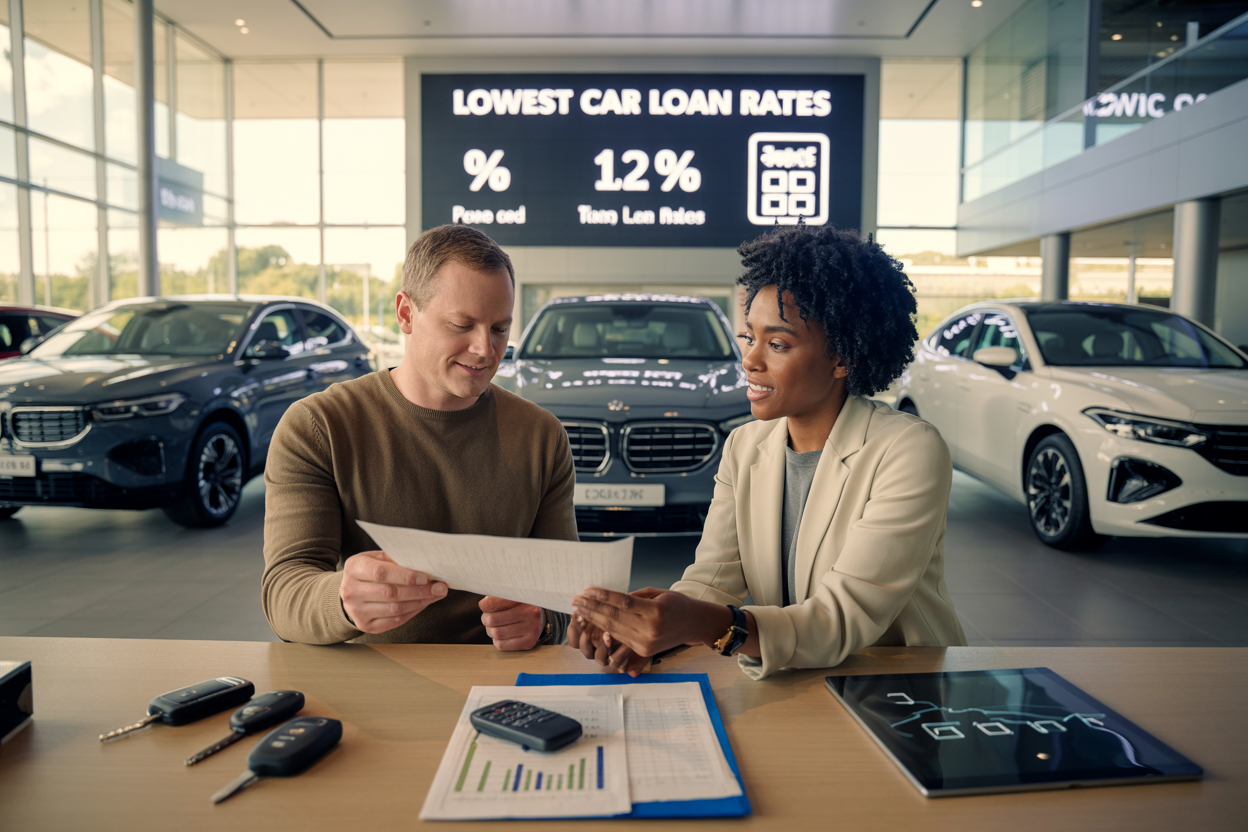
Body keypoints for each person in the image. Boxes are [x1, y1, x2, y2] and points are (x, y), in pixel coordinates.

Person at [569, 225, 966, 679]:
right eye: (748, 337)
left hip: (899, 686)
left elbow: (844, 617)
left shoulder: (908, 450)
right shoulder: (745, 446)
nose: (751, 360)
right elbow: (714, 579)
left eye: (777, 344)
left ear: (843, 359)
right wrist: (649, 629)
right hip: (802, 681)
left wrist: (702, 623)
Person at [262, 224, 576, 648]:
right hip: (373, 684)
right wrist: (341, 600)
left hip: (502, 686)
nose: (486, 349)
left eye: (500, 329)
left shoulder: (541, 436)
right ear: (406, 314)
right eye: (461, 325)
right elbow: (284, 593)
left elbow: (565, 594)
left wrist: (544, 623)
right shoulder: (318, 428)